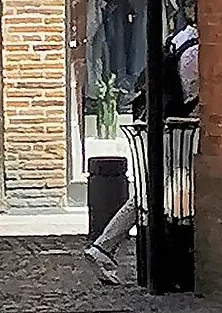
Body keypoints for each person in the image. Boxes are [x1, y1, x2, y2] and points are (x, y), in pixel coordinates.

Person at [85, 20, 199, 277]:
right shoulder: (195, 51)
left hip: (165, 129)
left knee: (152, 194)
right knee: (153, 195)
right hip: (179, 131)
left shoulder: (177, 40)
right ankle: (104, 246)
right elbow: (193, 94)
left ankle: (103, 247)